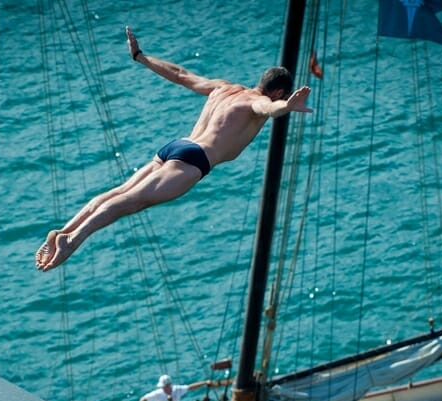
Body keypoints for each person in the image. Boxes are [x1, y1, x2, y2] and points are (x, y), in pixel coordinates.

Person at [35, 26, 312, 271]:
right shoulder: (257, 104)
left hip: (178, 146)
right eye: (283, 95)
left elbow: (181, 74)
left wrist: (140, 57)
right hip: (195, 160)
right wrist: (286, 107)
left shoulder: (224, 88)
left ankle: (64, 230)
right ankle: (71, 240)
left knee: (118, 192)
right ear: (277, 91)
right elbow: (267, 107)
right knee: (130, 202)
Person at [139, 374, 227, 401]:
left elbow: (190, 387)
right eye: (164, 386)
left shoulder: (177, 389)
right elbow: (143, 400)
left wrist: (204, 383)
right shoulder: (157, 394)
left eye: (167, 386)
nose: (165, 388)